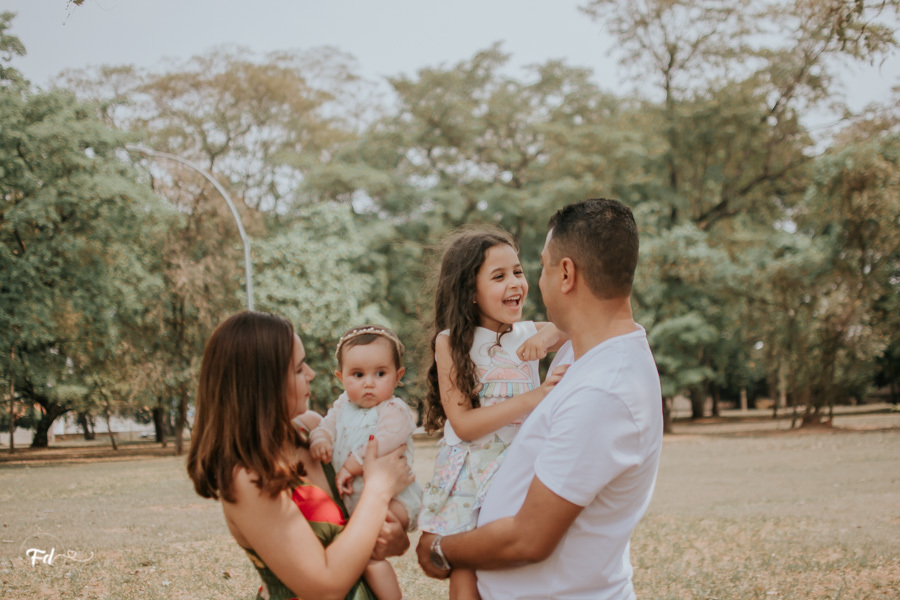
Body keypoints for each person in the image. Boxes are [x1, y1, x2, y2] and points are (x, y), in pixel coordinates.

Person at [417, 199, 664, 600]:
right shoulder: (586, 350)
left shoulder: (603, 390)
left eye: (539, 267)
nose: (528, 282)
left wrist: (441, 549)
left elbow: (528, 539)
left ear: (566, 273)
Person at [186, 311, 414, 600]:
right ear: (262, 385)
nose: (311, 374)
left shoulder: (312, 430)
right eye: (298, 368)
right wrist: (378, 491)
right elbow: (325, 587)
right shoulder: (246, 478)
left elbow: (362, 530)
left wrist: (392, 539)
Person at [418, 226, 568, 600]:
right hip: (472, 469)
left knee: (518, 560)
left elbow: (577, 325)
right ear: (470, 291)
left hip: (520, 465)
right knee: (468, 561)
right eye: (499, 276)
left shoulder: (530, 332)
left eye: (518, 272)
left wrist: (548, 336)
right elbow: (465, 425)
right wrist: (535, 397)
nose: (515, 283)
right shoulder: (451, 343)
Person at [309, 324, 423, 600]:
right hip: (360, 502)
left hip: (396, 500)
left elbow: (384, 441)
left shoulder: (394, 410)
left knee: (370, 556)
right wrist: (320, 440)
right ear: (341, 377)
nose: (369, 383)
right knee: (356, 554)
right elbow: (324, 427)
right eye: (358, 374)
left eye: (380, 374)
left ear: (398, 377)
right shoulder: (341, 407)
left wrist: (350, 465)